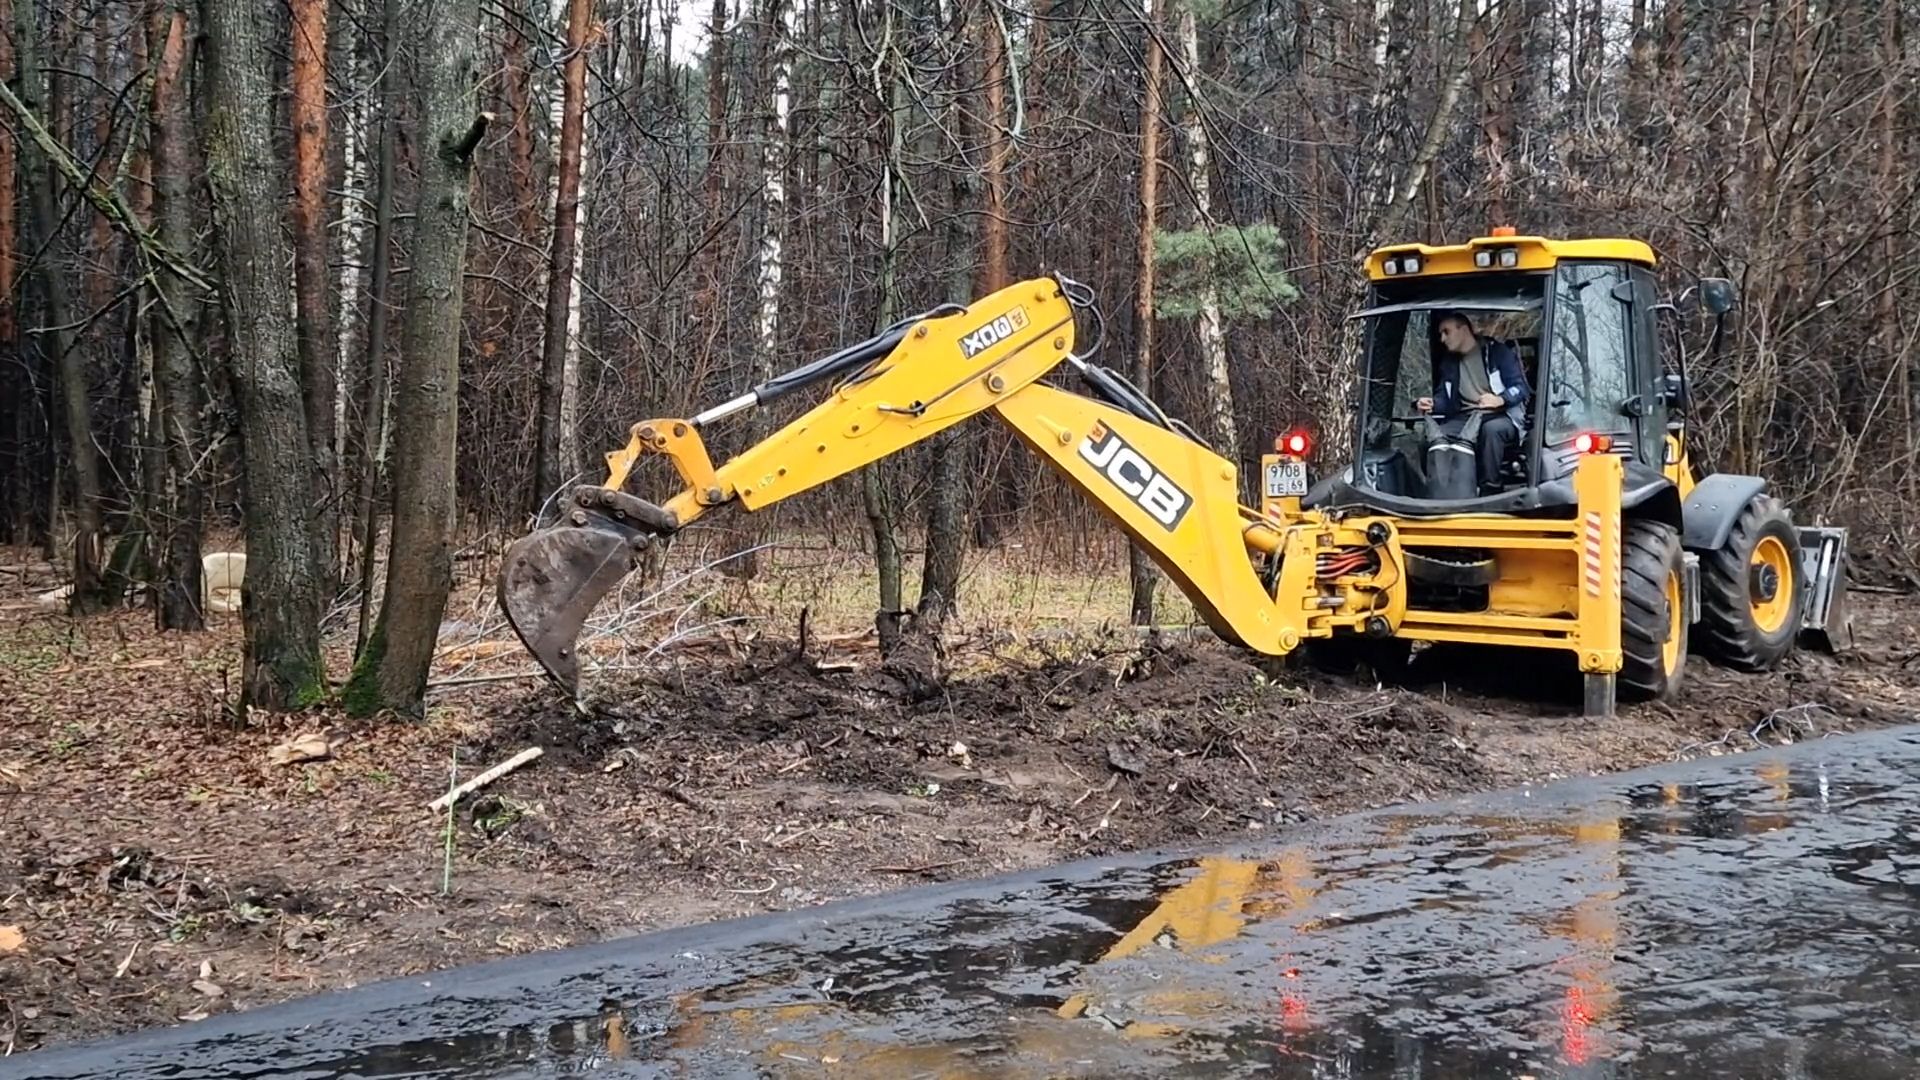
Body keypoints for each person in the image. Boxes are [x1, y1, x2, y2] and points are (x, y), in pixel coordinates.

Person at [1415, 309, 1531, 492]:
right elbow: (1445, 399)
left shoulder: (1497, 352)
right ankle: (1440, 488)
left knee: (1491, 431)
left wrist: (1500, 400)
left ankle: (1490, 489)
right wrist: (1433, 404)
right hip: (1464, 418)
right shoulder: (1449, 363)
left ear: (1463, 329)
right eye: (1440, 334)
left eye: (1447, 332)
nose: (1443, 339)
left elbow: (1521, 389)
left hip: (1499, 415)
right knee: (1428, 437)